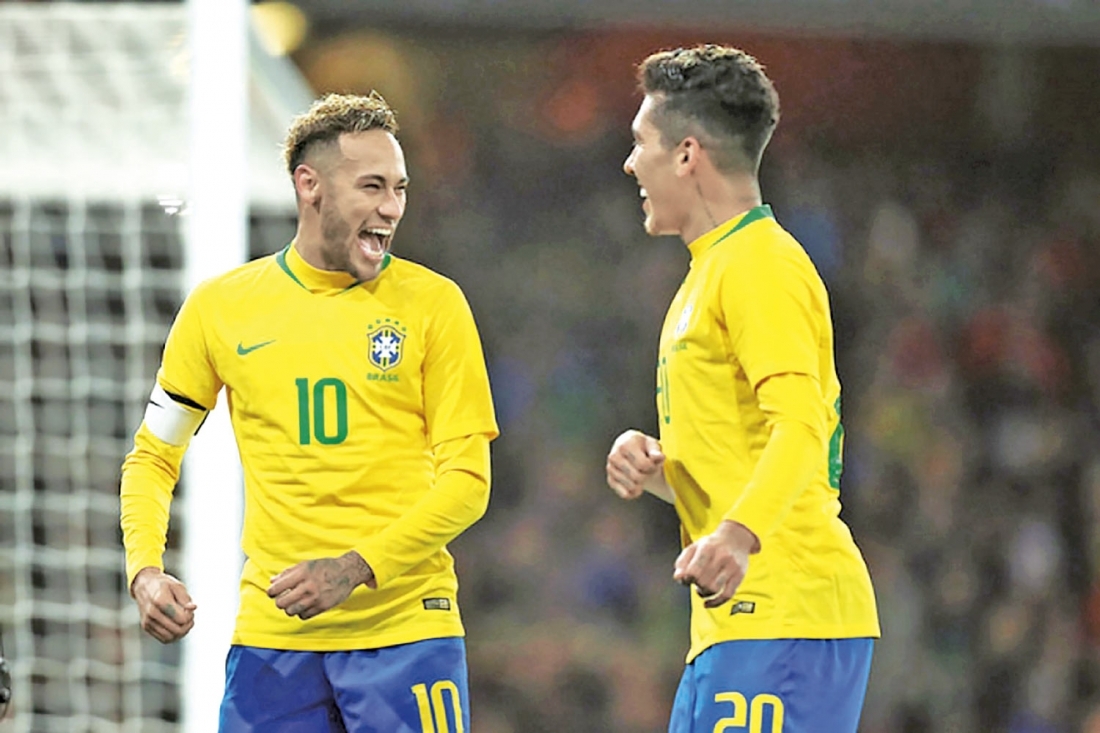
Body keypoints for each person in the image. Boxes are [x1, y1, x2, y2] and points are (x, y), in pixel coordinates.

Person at [120, 91, 498, 732]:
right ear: (309, 185)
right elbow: (154, 455)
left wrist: (353, 569)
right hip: (274, 641)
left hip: (406, 633)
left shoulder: (434, 305)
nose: (391, 207)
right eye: (372, 186)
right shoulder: (221, 309)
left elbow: (468, 483)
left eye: (400, 189)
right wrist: (145, 571)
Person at [605, 45, 880, 732]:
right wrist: (662, 469)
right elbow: (747, 456)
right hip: (734, 623)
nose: (630, 163)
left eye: (641, 142)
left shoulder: (761, 264)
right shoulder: (707, 274)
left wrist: (735, 536)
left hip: (787, 611)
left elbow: (801, 427)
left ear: (687, 154)